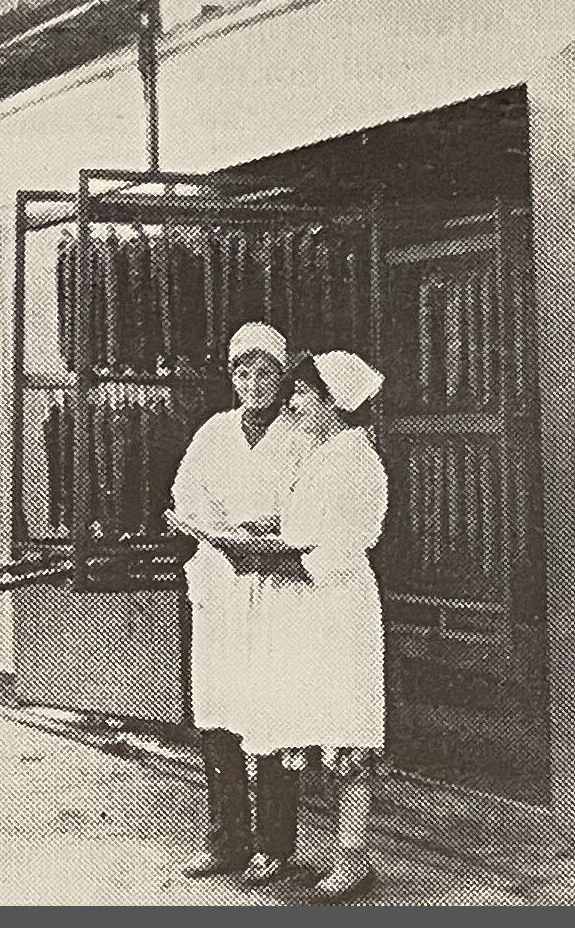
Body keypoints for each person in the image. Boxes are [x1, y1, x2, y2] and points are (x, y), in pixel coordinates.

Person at [241, 350, 389, 904]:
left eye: (301, 394)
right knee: (308, 721)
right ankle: (329, 853)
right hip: (307, 610)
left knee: (345, 729)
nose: (291, 404)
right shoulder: (318, 453)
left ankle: (352, 859)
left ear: (333, 402)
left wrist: (274, 559)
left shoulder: (357, 462)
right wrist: (264, 531)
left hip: (339, 610)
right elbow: (305, 522)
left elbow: (345, 545)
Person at [170, 322, 315, 886]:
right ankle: (227, 840)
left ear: (282, 378)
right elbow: (186, 497)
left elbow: (312, 508)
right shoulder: (213, 434)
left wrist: (270, 528)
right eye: (243, 372)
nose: (254, 383)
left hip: (275, 588)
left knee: (271, 715)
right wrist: (217, 528)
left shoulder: (301, 435)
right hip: (220, 587)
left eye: (265, 372)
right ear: (232, 377)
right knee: (218, 712)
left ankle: (275, 846)